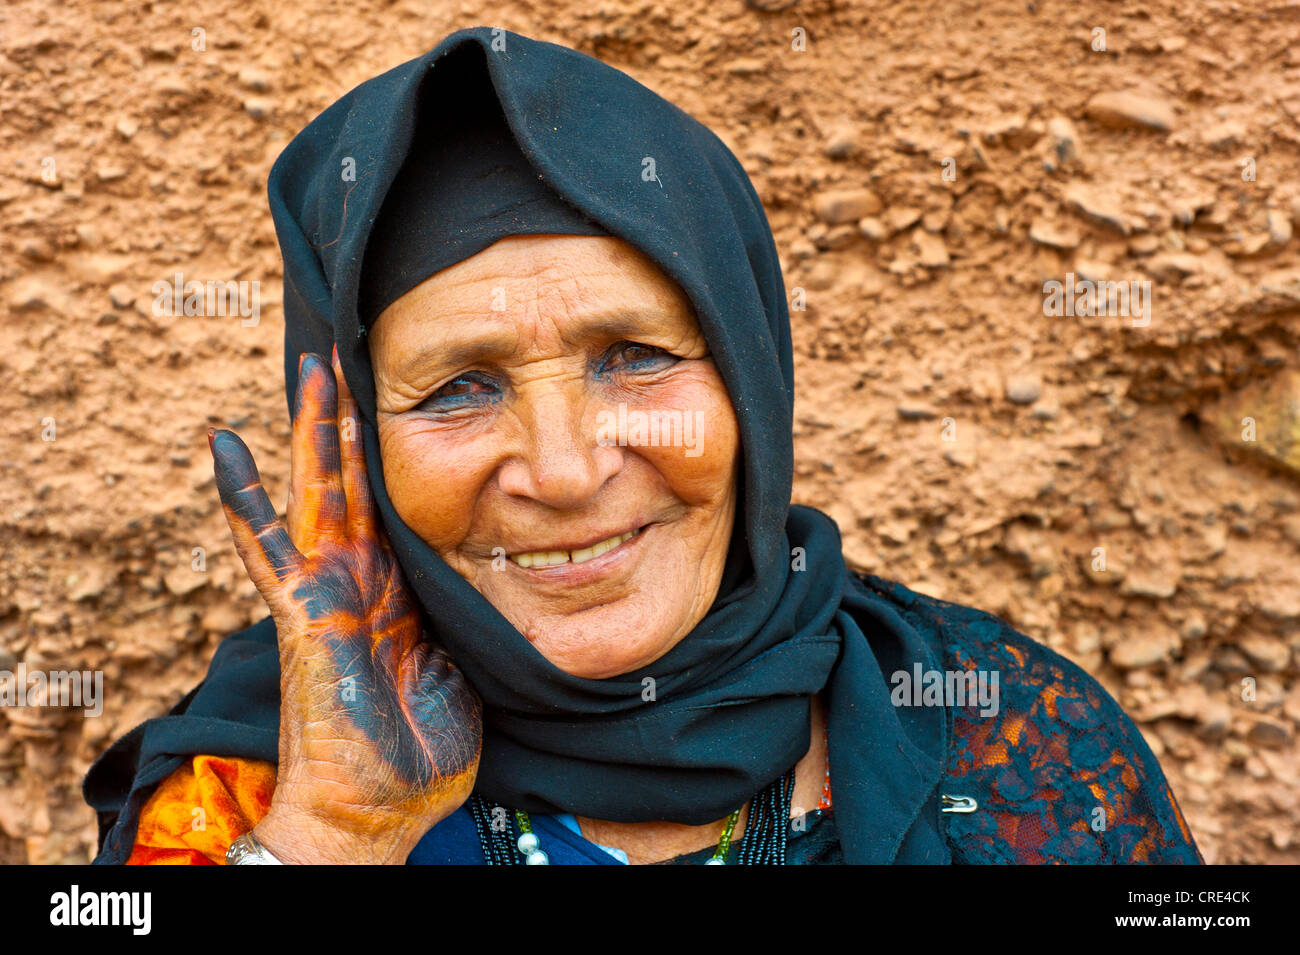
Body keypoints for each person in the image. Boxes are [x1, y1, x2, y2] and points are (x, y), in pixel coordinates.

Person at [83, 26, 1202, 865]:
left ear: (751, 377)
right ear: (356, 441)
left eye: (633, 357)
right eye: (459, 388)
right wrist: (338, 829)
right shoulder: (250, 791)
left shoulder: (1010, 739)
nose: (566, 471)